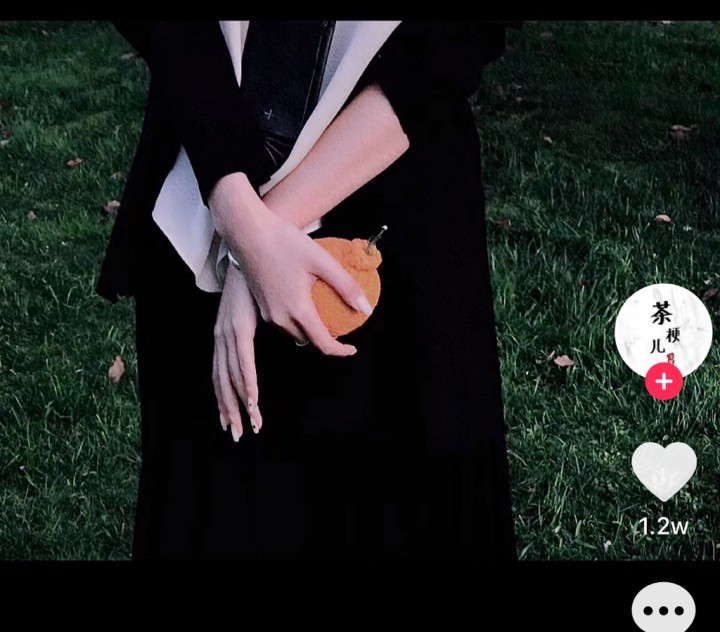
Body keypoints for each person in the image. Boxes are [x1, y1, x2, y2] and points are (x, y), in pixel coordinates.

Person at [96, 20, 518, 560]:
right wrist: (241, 220)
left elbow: (447, 45)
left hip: (386, 171)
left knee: (392, 498)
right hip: (205, 156)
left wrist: (255, 242)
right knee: (223, 497)